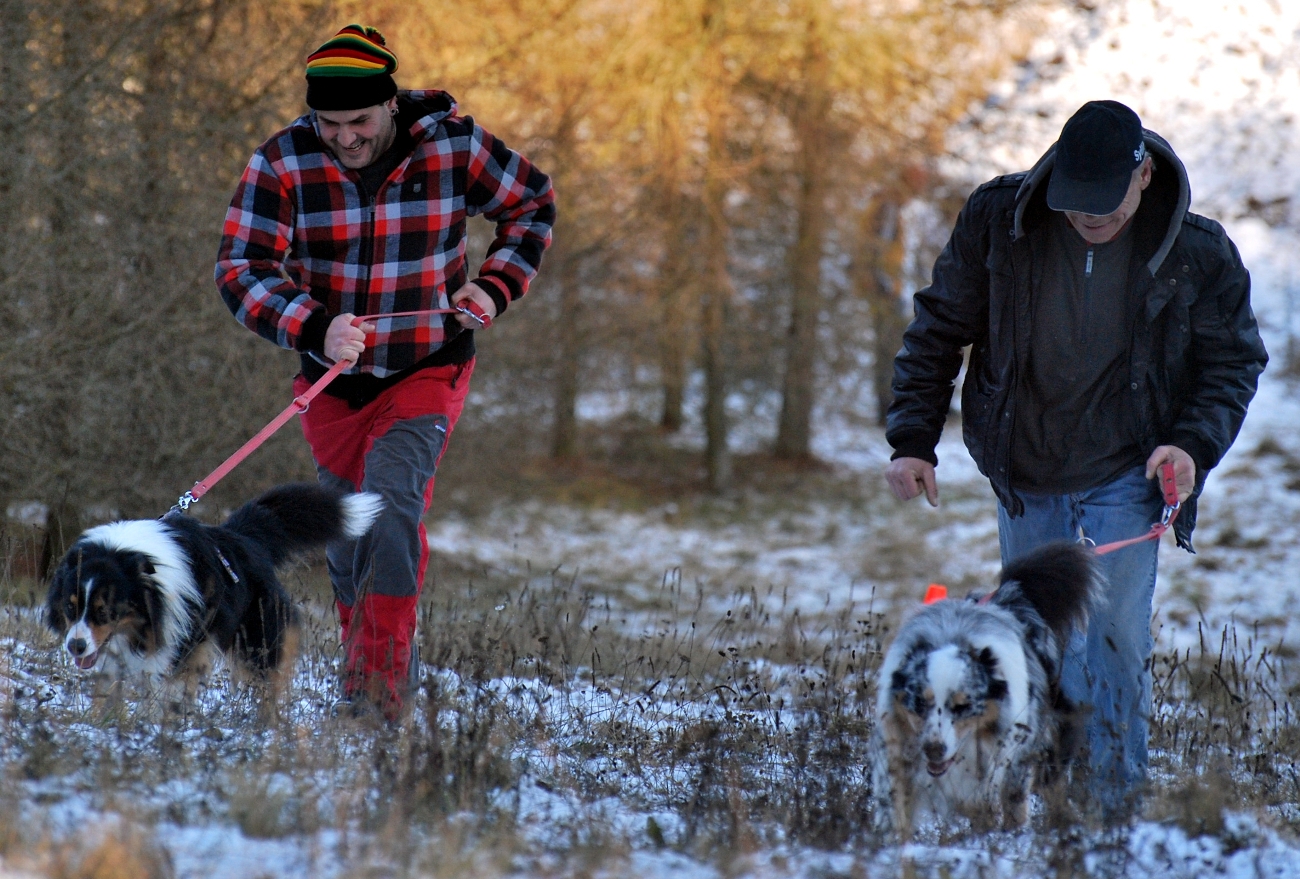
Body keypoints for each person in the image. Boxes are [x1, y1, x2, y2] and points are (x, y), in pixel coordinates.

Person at [883, 100, 1266, 811]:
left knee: (1114, 640)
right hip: (1026, 472)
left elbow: (1232, 363)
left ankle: (1114, 808)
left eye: (1107, 207)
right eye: (1076, 206)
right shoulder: (999, 221)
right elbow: (939, 328)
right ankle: (1040, 798)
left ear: (1143, 175)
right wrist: (913, 438)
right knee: (1035, 644)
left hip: (1126, 472)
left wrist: (1191, 444)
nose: (1090, 219)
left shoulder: (1198, 253)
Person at [215, 24, 555, 720]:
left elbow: (531, 205)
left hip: (428, 365)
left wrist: (492, 288)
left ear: (390, 105)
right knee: (348, 530)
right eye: (329, 122)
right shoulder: (282, 161)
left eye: (359, 121)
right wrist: (314, 324)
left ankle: (380, 690)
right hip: (331, 382)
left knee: (391, 508)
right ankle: (362, 669)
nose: (345, 137)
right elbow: (240, 268)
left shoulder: (453, 146)